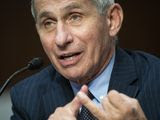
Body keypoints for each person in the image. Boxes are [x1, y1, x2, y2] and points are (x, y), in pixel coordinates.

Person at [10, 0, 160, 119]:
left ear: (112, 20)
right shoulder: (26, 99)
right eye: (48, 23)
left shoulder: (156, 81)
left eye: (75, 17)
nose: (61, 39)